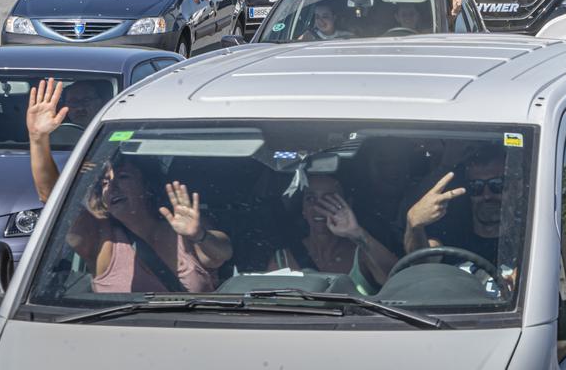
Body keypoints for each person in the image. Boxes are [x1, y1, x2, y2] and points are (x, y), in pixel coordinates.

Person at [69, 156, 232, 294]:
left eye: (123, 177)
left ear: (147, 186)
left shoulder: (184, 224)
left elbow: (222, 253)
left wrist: (199, 235)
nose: (112, 187)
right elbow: (58, 201)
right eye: (104, 183)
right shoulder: (101, 239)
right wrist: (42, 141)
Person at [266, 174, 398, 295]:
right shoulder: (283, 260)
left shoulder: (362, 254)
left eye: (329, 199)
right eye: (310, 198)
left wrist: (357, 233)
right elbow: (267, 304)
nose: (318, 206)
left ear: (347, 205)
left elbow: (398, 283)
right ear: (303, 209)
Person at [403, 146, 508, 266]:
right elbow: (422, 262)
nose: (487, 195)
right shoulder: (451, 232)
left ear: (517, 187)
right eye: (476, 187)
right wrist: (414, 224)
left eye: (497, 185)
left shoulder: (529, 237)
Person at [28, 78, 112, 202]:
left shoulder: (115, 134)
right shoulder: (53, 134)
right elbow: (50, 196)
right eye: (73, 102)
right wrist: (37, 137)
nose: (79, 108)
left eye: (86, 100)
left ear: (100, 102)